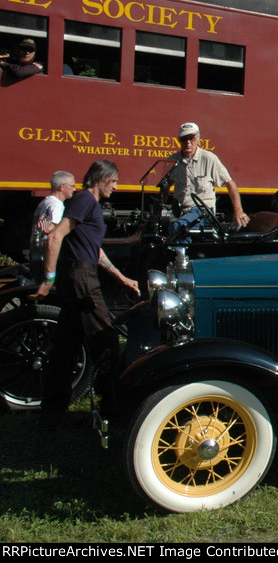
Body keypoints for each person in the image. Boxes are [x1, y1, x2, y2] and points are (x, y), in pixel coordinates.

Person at [30, 160, 140, 427]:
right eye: (113, 180)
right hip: (81, 278)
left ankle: (52, 415)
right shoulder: (84, 200)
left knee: (65, 348)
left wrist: (122, 277)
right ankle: (111, 409)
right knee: (107, 340)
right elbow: (55, 237)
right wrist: (48, 278)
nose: (116, 186)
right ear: (100, 178)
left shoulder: (86, 204)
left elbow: (96, 250)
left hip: (80, 275)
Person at [166, 122, 249, 239]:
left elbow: (230, 184)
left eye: (191, 138)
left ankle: (183, 255)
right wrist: (159, 210)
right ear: (179, 140)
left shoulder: (209, 158)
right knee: (162, 227)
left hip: (202, 210)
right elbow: (165, 186)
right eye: (184, 139)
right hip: (180, 210)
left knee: (180, 227)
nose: (188, 143)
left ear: (198, 139)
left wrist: (238, 211)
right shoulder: (172, 160)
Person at [28, 171, 76, 282]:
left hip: (37, 247)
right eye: (72, 186)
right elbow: (48, 228)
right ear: (62, 187)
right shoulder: (57, 205)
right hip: (47, 250)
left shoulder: (45, 201)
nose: (74, 189)